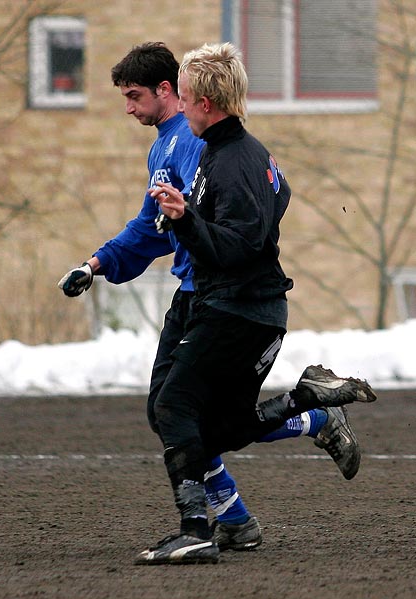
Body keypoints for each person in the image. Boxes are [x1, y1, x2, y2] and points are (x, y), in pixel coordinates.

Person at [57, 42, 376, 564]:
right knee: (188, 419)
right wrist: (97, 263)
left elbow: (237, 233)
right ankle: (260, 482)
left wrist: (192, 225)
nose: (130, 108)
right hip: (211, 298)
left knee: (178, 412)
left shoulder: (205, 146)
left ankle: (205, 525)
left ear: (185, 96)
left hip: (227, 303)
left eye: (137, 96)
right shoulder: (172, 146)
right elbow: (155, 225)